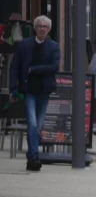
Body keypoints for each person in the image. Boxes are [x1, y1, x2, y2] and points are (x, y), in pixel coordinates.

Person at [9, 15, 61, 172]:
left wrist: (34, 69)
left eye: (45, 27)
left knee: (38, 126)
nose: (42, 29)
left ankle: (31, 155)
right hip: (28, 90)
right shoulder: (25, 45)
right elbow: (14, 66)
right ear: (35, 28)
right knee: (32, 123)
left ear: (49, 29)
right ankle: (33, 156)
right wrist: (13, 88)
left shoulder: (53, 46)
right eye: (40, 26)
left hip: (44, 91)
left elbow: (54, 67)